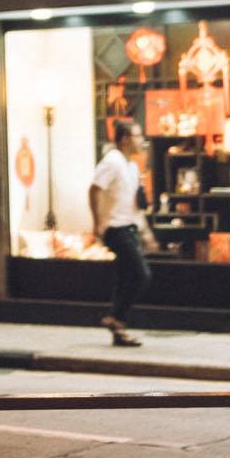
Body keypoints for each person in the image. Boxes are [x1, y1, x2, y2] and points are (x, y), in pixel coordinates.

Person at [89, 119, 153, 346]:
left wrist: (146, 232)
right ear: (125, 139)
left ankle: (119, 330)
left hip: (128, 226)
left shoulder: (132, 166)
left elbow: (134, 204)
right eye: (138, 136)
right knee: (141, 274)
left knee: (126, 276)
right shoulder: (113, 161)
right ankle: (115, 318)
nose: (142, 141)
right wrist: (97, 223)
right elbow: (95, 189)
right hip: (114, 228)